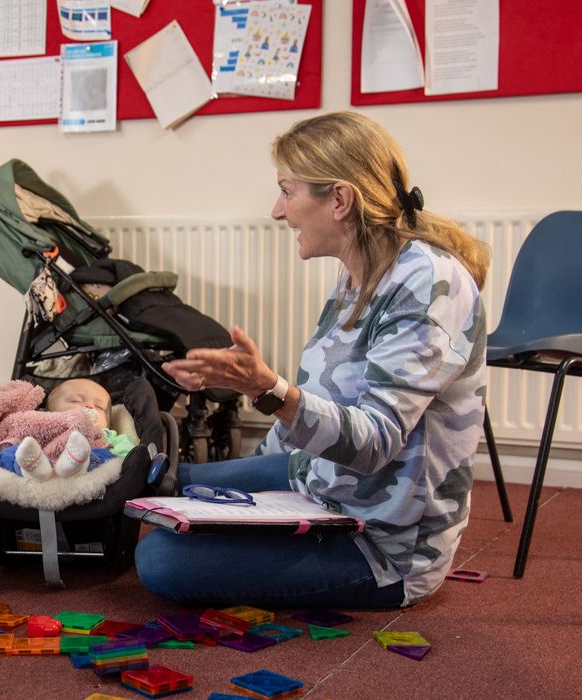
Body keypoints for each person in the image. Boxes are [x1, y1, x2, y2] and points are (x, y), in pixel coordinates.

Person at [136, 111, 490, 609]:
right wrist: (250, 493)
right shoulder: (357, 272)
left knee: (162, 559)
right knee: (161, 486)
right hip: (320, 482)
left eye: (287, 191)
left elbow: (375, 443)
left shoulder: (427, 282)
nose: (278, 211)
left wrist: (268, 391)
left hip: (379, 545)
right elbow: (323, 400)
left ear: (340, 200)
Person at [0, 378, 138, 480]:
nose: (89, 406)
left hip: (83, 467)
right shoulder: (42, 422)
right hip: (38, 460)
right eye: (76, 400)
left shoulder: (107, 435)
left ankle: (74, 464)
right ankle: (29, 469)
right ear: (50, 410)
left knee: (107, 458)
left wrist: (118, 454)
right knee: (8, 452)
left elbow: (128, 456)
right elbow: (18, 434)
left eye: (99, 407)